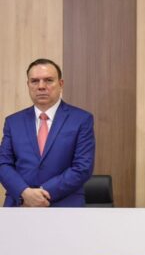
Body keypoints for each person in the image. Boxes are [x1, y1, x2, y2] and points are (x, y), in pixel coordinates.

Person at [0, 58, 95, 207]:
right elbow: (3, 163)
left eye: (48, 80)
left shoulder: (81, 119)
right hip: (20, 205)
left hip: (65, 205)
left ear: (61, 84)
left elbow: (82, 167)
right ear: (28, 85)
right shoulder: (13, 122)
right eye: (34, 81)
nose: (41, 86)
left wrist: (41, 193)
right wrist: (24, 192)